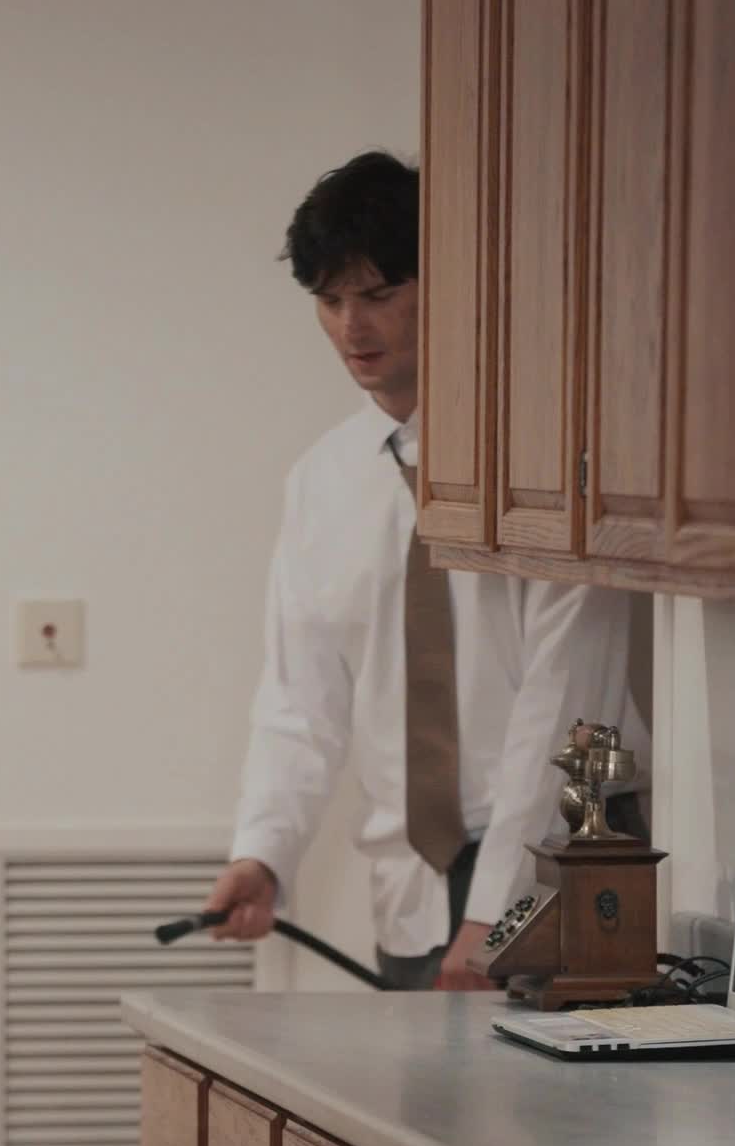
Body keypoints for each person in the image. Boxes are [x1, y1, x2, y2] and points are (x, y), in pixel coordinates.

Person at [208, 151, 646, 990]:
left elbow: (567, 705)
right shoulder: (322, 482)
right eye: (329, 301)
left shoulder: (549, 466)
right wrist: (261, 853)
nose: (352, 327)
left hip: (560, 873)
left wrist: (498, 918)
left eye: (378, 294)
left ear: (446, 286)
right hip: (407, 896)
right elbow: (300, 699)